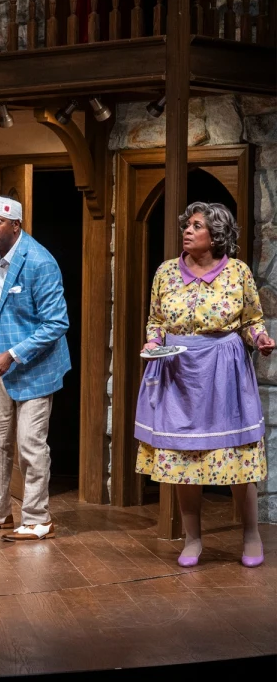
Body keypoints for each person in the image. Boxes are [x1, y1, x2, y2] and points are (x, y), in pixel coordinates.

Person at [135, 202, 274, 568]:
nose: (188, 230)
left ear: (216, 235)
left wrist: (260, 338)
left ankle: (250, 533)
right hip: (179, 371)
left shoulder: (237, 272)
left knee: (236, 457)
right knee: (184, 459)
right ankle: (193, 539)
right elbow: (156, 320)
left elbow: (251, 319)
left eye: (197, 226)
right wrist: (152, 343)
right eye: (187, 225)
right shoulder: (166, 273)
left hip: (223, 372)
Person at [0, 196, 70, 542]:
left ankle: (37, 518)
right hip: (1, 362)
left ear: (16, 225)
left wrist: (12, 355)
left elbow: (57, 323)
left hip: (35, 366)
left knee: (30, 444)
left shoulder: (40, 262)